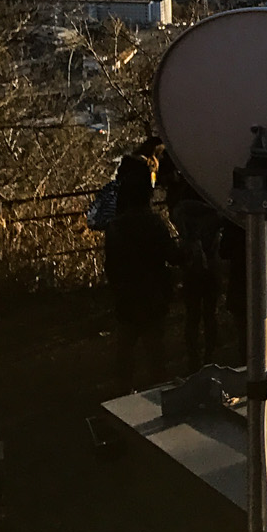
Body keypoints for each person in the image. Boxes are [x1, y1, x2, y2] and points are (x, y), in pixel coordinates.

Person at [103, 155, 179, 391]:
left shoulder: (116, 225)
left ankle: (123, 391)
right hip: (153, 293)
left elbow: (111, 265)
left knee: (126, 346)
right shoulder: (153, 223)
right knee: (154, 347)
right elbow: (172, 255)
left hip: (126, 294)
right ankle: (159, 391)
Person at [167, 174, 223, 372]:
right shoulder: (214, 211)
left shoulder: (181, 212)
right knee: (210, 313)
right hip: (211, 265)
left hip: (190, 266)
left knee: (192, 315)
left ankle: (193, 357)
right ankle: (210, 355)